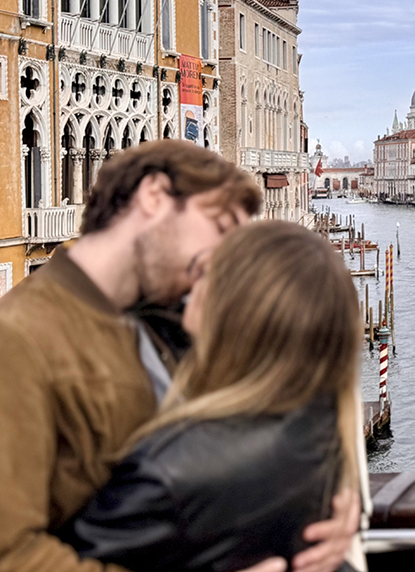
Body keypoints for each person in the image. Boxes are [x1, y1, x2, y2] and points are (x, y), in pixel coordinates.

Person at [0, 140, 359, 572]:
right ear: (154, 196)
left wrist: (322, 509)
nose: (226, 256)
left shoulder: (177, 323)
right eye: (221, 225)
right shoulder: (18, 338)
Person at [61, 222, 362, 572]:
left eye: (206, 270)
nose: (192, 281)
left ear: (233, 306)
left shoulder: (166, 471)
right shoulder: (321, 425)